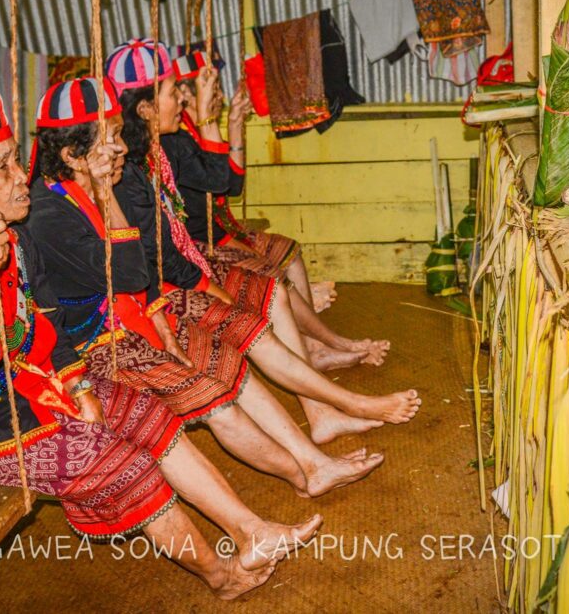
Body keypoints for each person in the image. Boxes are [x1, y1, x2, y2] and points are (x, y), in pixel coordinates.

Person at [0, 91, 320, 599]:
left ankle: (252, 532)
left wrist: (79, 386)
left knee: (150, 416)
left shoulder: (16, 233)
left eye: (13, 159)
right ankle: (220, 575)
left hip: (34, 385)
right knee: (122, 463)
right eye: (4, 167)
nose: (20, 175)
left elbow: (48, 315)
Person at [26, 76, 384, 495]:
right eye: (110, 140)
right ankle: (305, 468)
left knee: (231, 366)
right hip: (98, 341)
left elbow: (145, 273)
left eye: (121, 137)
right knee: (215, 392)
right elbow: (134, 274)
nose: (121, 149)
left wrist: (161, 315)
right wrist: (109, 196)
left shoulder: (108, 181)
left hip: (144, 312)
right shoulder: (51, 211)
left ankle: (314, 458)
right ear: (72, 154)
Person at [105, 40, 422, 443]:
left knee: (272, 285)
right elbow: (175, 241)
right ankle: (335, 390)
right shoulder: (135, 165)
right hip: (170, 283)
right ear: (146, 109)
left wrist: (223, 123)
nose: (185, 99)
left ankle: (322, 395)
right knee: (264, 296)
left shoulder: (157, 148)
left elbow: (223, 188)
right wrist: (208, 120)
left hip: (190, 261)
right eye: (177, 91)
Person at [168, 52, 391, 368]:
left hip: (220, 230)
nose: (217, 94)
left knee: (289, 252)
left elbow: (233, 187)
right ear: (187, 94)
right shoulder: (179, 137)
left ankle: (313, 343)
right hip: (202, 241)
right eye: (211, 87)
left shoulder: (197, 127)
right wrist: (213, 124)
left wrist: (233, 127)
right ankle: (326, 345)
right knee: (271, 274)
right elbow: (217, 185)